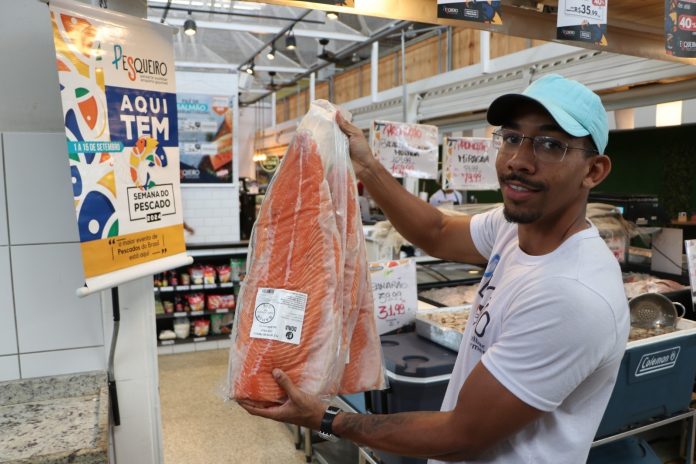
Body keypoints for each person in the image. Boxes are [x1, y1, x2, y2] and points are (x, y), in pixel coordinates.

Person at [240, 74, 629, 463]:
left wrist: (327, 419)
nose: (518, 161)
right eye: (511, 137)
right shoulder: (514, 228)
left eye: (550, 145)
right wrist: (367, 166)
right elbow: (438, 231)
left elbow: (461, 435)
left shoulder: (571, 294)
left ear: (593, 171)